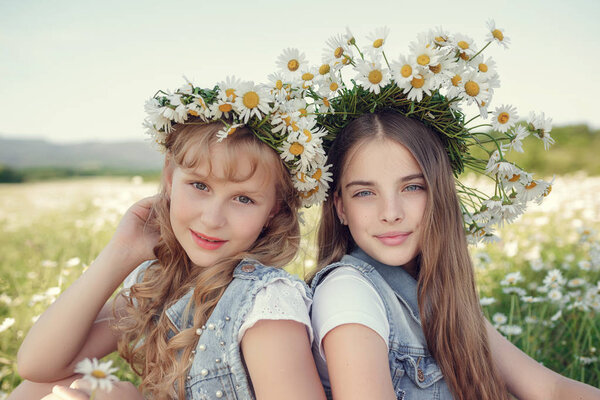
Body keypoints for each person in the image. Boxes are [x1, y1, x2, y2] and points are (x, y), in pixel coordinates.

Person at [11, 77, 328, 399]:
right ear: (169, 177)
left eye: (243, 199)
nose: (212, 219)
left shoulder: (265, 302)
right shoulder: (160, 279)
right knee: (42, 389)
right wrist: (121, 252)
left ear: (273, 210)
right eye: (200, 186)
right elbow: (37, 367)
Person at [309, 111, 600, 399]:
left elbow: (550, 390)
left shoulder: (439, 295)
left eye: (412, 187)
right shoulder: (348, 294)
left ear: (439, 193)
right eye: (364, 193)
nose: (391, 213)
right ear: (341, 207)